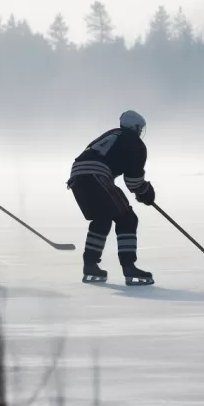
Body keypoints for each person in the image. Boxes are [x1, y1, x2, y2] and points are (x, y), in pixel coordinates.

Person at [66, 110, 155, 286]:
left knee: (102, 218)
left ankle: (90, 264)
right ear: (136, 128)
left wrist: (141, 191)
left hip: (77, 176)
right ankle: (129, 266)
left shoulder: (111, 134)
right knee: (127, 218)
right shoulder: (135, 143)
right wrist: (145, 192)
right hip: (96, 175)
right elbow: (134, 180)